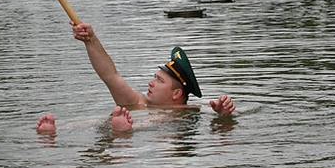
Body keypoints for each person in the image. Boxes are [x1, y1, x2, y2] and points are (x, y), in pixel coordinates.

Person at [36, 21, 235, 133]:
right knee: (93, 121)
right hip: (118, 134)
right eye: (154, 77)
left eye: (159, 80)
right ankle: (56, 131)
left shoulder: (191, 111)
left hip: (139, 146)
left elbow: (225, 113)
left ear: (176, 93)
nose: (150, 82)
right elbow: (110, 76)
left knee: (129, 124)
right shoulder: (138, 102)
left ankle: (123, 133)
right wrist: (90, 39)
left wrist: (223, 111)